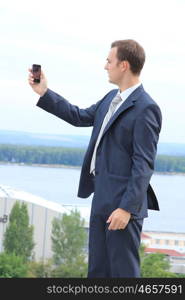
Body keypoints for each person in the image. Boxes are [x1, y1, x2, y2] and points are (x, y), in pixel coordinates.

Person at [28, 39, 162, 278]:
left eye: (109, 61)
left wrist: (126, 208)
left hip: (122, 206)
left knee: (123, 274)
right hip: (101, 197)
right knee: (98, 272)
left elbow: (144, 164)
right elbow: (79, 116)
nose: (105, 66)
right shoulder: (111, 98)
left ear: (124, 65)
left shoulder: (146, 107)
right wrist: (44, 93)